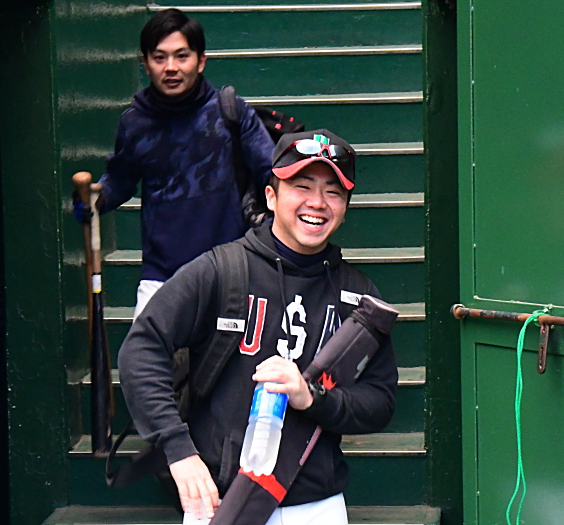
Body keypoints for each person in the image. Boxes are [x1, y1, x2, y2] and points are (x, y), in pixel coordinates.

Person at [118, 129, 398, 525]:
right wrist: (178, 451)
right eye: (302, 186)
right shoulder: (221, 270)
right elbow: (141, 350)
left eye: (333, 192)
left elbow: (380, 402)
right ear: (271, 196)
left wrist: (312, 398)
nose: (317, 203)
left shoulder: (356, 294)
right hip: (223, 503)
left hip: (317, 505)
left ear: (345, 207)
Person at [87, 8, 274, 317]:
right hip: (162, 277)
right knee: (143, 350)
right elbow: (120, 179)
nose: (171, 67)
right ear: (146, 64)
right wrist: (97, 199)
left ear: (201, 61)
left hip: (232, 271)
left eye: (182, 56)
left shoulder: (230, 112)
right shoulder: (134, 123)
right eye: (159, 58)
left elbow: (272, 175)